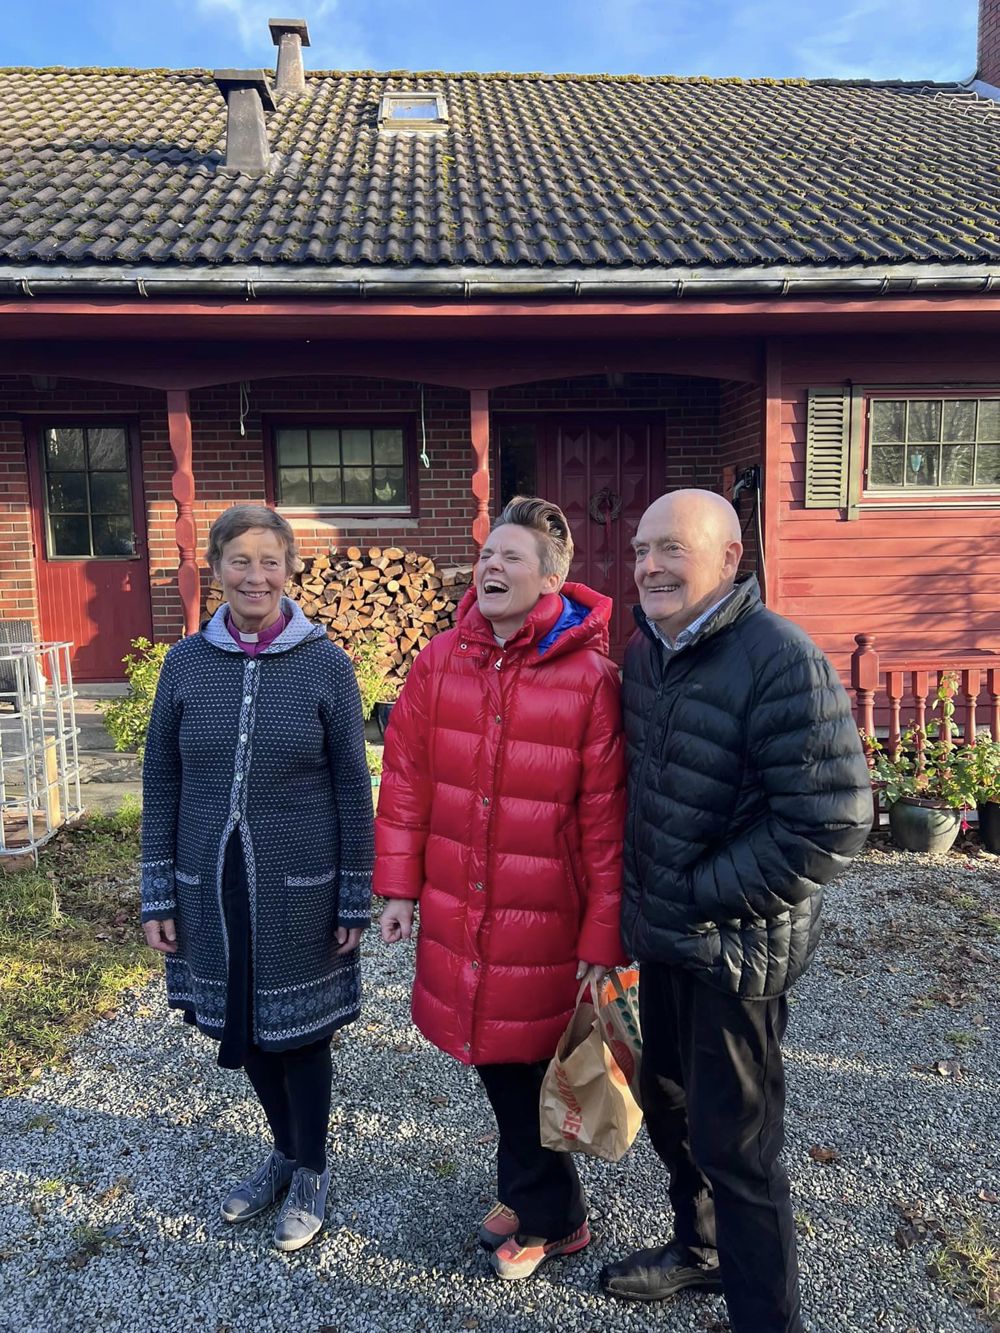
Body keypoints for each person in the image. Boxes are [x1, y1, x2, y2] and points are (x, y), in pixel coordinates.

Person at [599, 489, 873, 1332]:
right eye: (643, 548)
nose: (650, 565)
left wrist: (702, 893)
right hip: (666, 939)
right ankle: (701, 1249)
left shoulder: (779, 657)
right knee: (670, 1100)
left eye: (672, 549)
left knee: (739, 1148)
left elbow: (834, 819)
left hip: (735, 949)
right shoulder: (647, 652)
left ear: (729, 559)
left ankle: (767, 1319)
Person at [375, 497, 626, 1282]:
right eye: (487, 554)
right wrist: (398, 889)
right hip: (461, 904)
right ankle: (530, 1191)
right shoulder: (440, 658)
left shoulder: (590, 678)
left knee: (526, 1061)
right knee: (493, 1055)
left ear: (553, 577)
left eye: (512, 556)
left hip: (546, 917)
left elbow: (605, 820)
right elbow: (407, 780)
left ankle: (557, 1217)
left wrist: (602, 935)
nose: (492, 565)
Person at [140, 504, 373, 1253]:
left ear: (289, 569)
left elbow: (351, 789)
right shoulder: (184, 665)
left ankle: (311, 1168)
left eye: (269, 561)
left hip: (299, 886)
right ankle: (281, 1149)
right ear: (215, 569)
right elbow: (160, 783)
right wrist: (157, 893)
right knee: (243, 1027)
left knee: (300, 1036)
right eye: (239, 560)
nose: (255, 575)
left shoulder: (326, 665)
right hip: (210, 885)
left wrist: (354, 894)